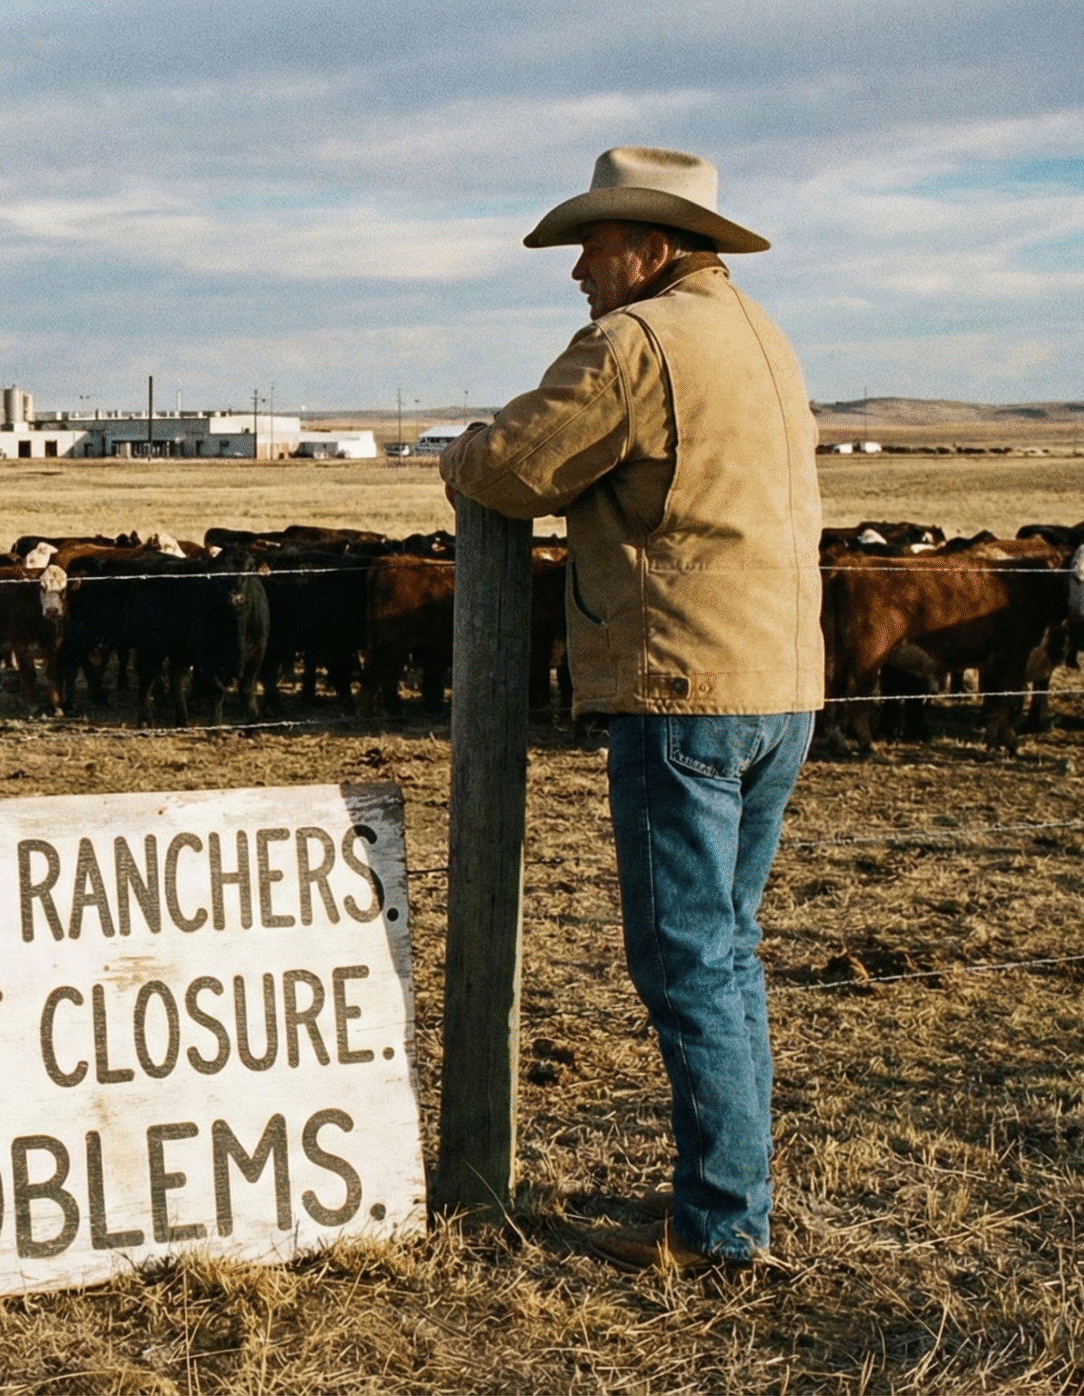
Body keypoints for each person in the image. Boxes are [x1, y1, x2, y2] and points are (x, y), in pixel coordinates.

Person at [440, 146, 823, 1270]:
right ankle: (729, 1196)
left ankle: (717, 1227)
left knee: (687, 960)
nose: (577, 274)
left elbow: (514, 466)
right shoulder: (763, 336)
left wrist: (459, 454)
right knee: (729, 949)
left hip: (681, 686)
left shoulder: (635, 342)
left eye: (592, 248)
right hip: (781, 686)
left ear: (651, 247)